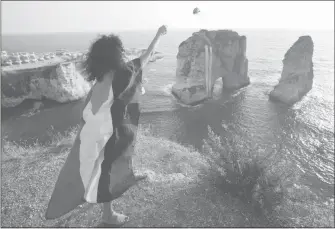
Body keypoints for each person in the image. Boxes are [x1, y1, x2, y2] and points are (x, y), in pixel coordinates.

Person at [45, 25, 168, 226]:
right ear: (116, 55)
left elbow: (88, 113)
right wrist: (159, 35)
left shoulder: (100, 80)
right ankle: (108, 215)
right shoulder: (124, 74)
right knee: (107, 170)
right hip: (109, 136)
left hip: (99, 134)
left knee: (109, 163)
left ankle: (123, 179)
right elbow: (145, 57)